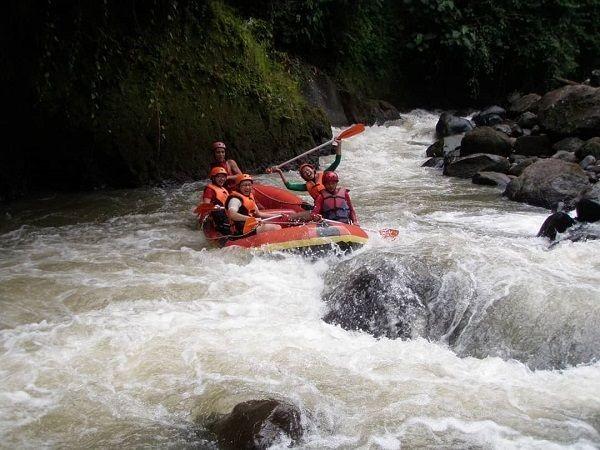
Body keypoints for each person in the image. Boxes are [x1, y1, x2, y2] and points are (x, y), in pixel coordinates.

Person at [270, 138, 342, 201]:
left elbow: (336, 162)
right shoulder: (307, 186)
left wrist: (339, 145)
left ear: (313, 169)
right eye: (304, 172)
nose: (307, 172)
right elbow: (289, 186)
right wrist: (280, 172)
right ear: (304, 177)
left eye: (308, 170)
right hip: (320, 207)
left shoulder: (325, 175)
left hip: (331, 201)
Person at [198, 166, 230, 234]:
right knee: (219, 214)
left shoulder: (224, 189)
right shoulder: (209, 190)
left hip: (225, 213)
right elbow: (206, 206)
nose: (222, 179)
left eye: (224, 177)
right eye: (219, 177)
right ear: (213, 178)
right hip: (216, 215)